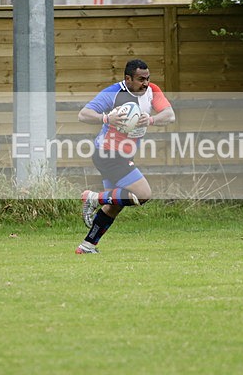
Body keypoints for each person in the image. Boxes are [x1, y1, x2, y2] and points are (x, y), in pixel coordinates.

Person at [75, 58, 175, 254]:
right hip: (108, 154)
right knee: (143, 194)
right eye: (140, 79)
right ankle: (93, 197)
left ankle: (87, 246)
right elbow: (83, 114)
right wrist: (106, 118)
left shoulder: (152, 91)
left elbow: (170, 115)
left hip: (122, 155)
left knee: (115, 204)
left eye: (147, 78)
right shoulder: (114, 93)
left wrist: (152, 119)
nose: (145, 83)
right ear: (128, 79)